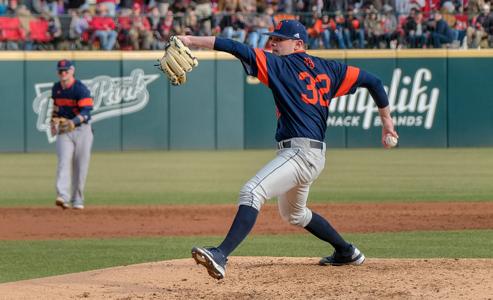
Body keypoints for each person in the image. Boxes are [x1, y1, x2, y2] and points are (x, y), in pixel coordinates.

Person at [181, 19, 398, 280]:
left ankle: (220, 254)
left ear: (298, 44)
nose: (273, 43)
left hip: (299, 153)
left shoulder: (279, 65)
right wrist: (386, 122)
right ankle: (346, 251)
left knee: (252, 191)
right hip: (311, 155)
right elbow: (374, 82)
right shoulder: (330, 68)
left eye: (279, 39)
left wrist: (191, 41)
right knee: (294, 214)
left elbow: (234, 47)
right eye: (272, 38)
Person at [52, 59, 94, 210]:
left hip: (82, 130)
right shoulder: (56, 88)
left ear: (72, 71)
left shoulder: (80, 89)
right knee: (64, 161)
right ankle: (62, 196)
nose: (63, 73)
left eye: (66, 70)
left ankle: (77, 200)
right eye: (60, 71)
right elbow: (56, 108)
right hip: (64, 130)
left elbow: (87, 112)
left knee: (80, 166)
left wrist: (74, 122)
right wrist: (52, 122)